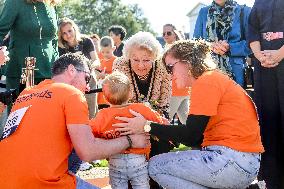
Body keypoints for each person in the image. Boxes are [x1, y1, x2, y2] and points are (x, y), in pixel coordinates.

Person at [113, 40, 264, 189]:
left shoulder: (206, 82)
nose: (169, 74)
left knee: (156, 166)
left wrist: (146, 126)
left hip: (232, 161)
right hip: (242, 162)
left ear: (188, 63)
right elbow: (196, 139)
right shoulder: (211, 79)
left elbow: (190, 136)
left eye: (171, 67)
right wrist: (165, 128)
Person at [0, 53, 149, 189]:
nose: (87, 87)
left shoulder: (26, 94)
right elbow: (87, 151)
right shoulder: (72, 93)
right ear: (71, 70)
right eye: (87, 78)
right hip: (43, 183)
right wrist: (130, 140)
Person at [90, 71, 164, 189]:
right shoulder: (140, 109)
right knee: (142, 186)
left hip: (115, 159)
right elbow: (160, 122)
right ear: (130, 94)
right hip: (138, 159)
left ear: (105, 97)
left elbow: (90, 133)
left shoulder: (102, 115)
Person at [248, 0, 284, 188]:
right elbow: (252, 30)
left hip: (282, 62)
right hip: (263, 67)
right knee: (267, 121)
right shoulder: (259, 2)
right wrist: (259, 55)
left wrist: (280, 53)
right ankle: (271, 180)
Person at [0, 0, 59, 93]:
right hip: (25, 70)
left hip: (50, 70)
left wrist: (59, 68)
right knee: (24, 106)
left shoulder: (51, 3)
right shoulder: (15, 2)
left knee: (48, 107)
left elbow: (54, 40)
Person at [193, 0, 251, 87]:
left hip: (236, 74)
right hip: (209, 71)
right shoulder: (203, 12)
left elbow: (252, 44)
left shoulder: (244, 11)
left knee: (234, 100)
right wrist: (210, 46)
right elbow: (195, 43)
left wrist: (230, 47)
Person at [58, 17, 99, 119]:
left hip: (88, 79)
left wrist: (89, 67)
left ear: (74, 28)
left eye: (69, 31)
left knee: (91, 111)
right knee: (74, 110)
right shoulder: (61, 46)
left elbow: (96, 60)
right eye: (64, 33)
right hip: (71, 81)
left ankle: (92, 129)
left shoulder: (86, 41)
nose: (68, 35)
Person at [163, 24, 190, 125]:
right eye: (163, 33)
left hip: (175, 91)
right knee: (186, 123)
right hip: (183, 91)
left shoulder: (175, 50)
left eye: (168, 33)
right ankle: (198, 140)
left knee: (163, 121)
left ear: (175, 34)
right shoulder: (181, 48)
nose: (165, 35)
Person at [96, 36, 117, 109]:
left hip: (111, 95)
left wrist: (106, 76)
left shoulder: (116, 61)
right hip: (100, 95)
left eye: (107, 52)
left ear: (113, 48)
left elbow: (118, 77)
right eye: (102, 52)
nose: (105, 54)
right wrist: (98, 75)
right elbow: (96, 77)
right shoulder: (100, 62)